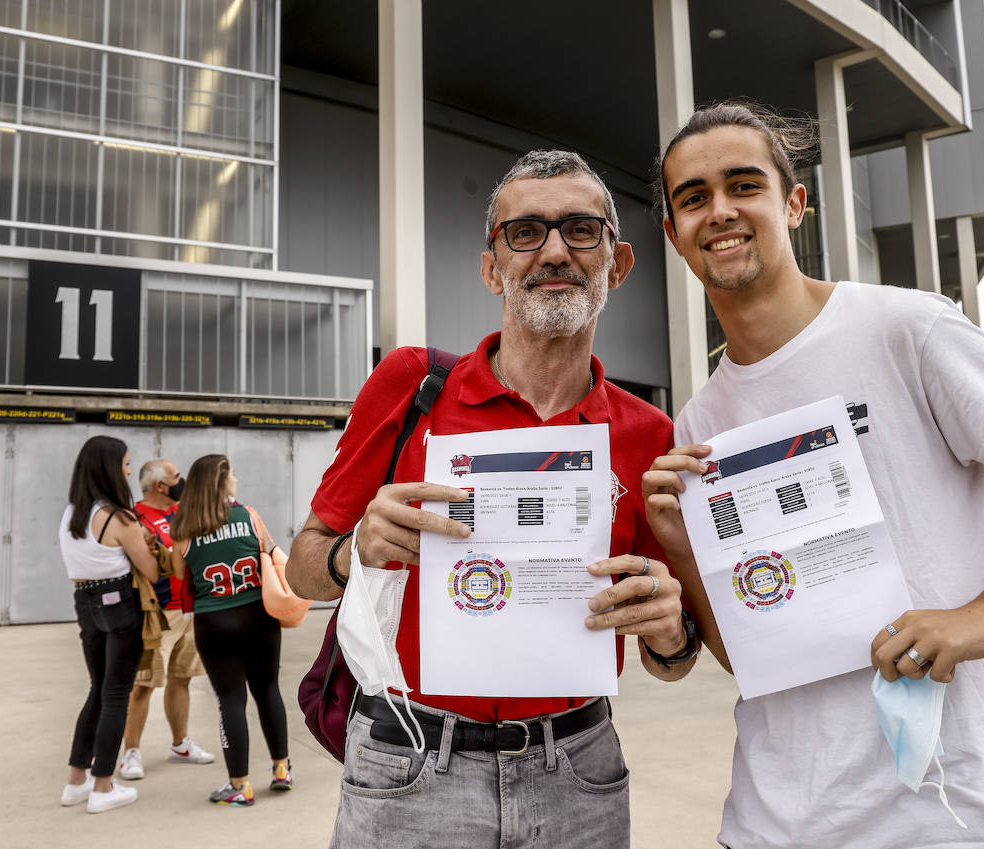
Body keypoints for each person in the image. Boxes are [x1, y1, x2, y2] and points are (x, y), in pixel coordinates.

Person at [642, 103, 984, 848]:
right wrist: (681, 548)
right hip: (778, 821)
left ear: (794, 203)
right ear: (674, 233)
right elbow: (751, 656)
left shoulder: (909, 330)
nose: (720, 211)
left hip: (957, 814)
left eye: (744, 185)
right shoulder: (701, 423)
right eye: (694, 196)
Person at [286, 150, 694, 849]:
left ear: (617, 264)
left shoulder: (650, 434)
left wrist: (667, 627)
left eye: (580, 229)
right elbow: (301, 570)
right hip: (411, 763)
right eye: (526, 232)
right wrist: (357, 550)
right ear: (492, 267)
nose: (555, 249)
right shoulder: (413, 387)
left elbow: (673, 656)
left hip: (578, 770)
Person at [170, 454, 290, 806]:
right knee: (268, 689)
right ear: (222, 482)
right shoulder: (249, 516)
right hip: (258, 614)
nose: (236, 479)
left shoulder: (183, 528)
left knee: (230, 701)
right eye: (233, 474)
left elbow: (179, 574)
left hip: (214, 620)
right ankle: (281, 769)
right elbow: (271, 552)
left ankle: (240, 786)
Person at [59, 435, 159, 814]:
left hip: (85, 603)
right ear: (109, 468)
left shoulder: (72, 514)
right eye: (126, 463)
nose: (129, 471)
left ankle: (76, 781)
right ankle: (103, 785)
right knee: (117, 694)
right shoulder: (119, 518)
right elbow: (149, 570)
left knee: (96, 690)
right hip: (119, 603)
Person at [119, 458, 215, 780]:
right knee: (143, 685)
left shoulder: (183, 513)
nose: (182, 481)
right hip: (158, 614)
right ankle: (131, 752)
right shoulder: (135, 517)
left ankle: (180, 744)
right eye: (176, 477)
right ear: (160, 485)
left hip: (191, 608)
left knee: (182, 678)